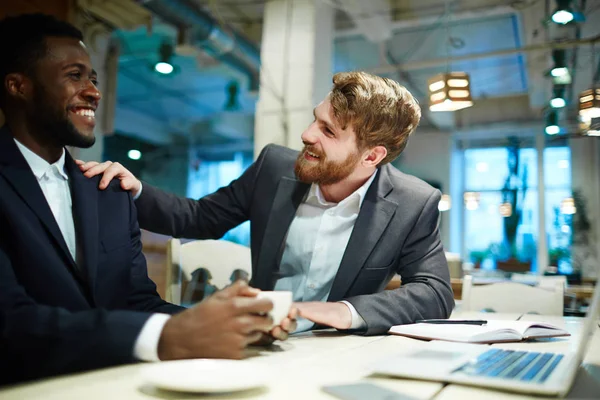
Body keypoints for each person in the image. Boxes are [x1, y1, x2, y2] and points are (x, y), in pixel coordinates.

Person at [0, 13, 295, 385]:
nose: (94, 91)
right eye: (74, 75)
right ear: (18, 86)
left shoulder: (107, 191)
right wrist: (169, 337)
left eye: (93, 78)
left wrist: (231, 324)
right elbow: (10, 324)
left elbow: (139, 302)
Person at [81, 71, 454, 335]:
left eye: (328, 131)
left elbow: (435, 292)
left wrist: (339, 312)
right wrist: (136, 190)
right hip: (257, 338)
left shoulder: (412, 202)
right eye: (315, 120)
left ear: (372, 157)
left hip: (336, 348)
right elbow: (200, 217)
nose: (307, 135)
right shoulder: (274, 167)